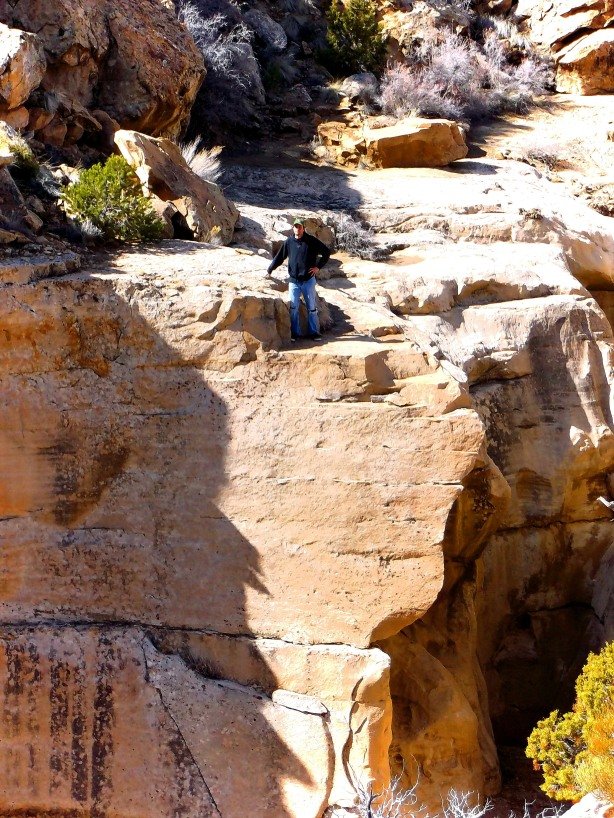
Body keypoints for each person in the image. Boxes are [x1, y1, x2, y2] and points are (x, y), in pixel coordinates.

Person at [266, 218, 331, 341]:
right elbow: (280, 257)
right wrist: (270, 269)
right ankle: (295, 333)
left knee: (311, 307)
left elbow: (326, 253)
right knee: (293, 307)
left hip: (308, 280)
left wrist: (318, 267)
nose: (297, 229)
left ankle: (314, 332)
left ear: (303, 228)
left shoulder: (311, 241)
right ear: (293, 228)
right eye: (296, 226)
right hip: (294, 281)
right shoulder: (289, 242)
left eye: (300, 227)